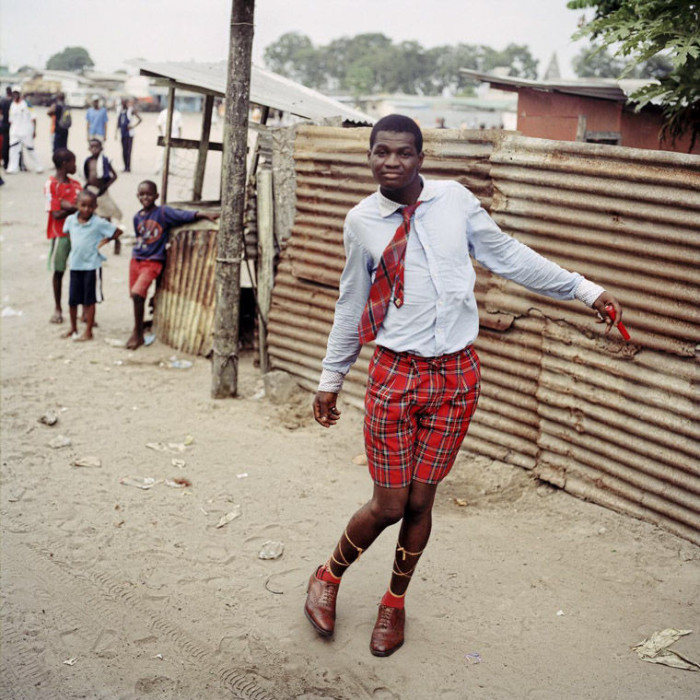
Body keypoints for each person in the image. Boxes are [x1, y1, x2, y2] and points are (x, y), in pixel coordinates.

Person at [304, 114, 624, 657]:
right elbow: (351, 301)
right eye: (380, 152)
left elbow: (508, 256)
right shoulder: (361, 220)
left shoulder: (455, 202)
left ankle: (393, 604)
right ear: (369, 157)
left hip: (456, 375)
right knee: (388, 503)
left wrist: (582, 289)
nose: (391, 162)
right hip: (394, 373)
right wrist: (331, 377)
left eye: (403, 152)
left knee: (423, 500)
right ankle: (328, 577)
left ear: (421, 157)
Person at [127, 180, 219, 349]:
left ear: (156, 196)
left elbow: (182, 216)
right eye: (142, 194)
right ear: (137, 196)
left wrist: (203, 214)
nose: (145, 197)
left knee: (138, 293)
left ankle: (137, 333)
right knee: (135, 296)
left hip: (152, 261)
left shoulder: (162, 213)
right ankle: (138, 329)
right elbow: (140, 237)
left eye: (148, 194)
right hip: (137, 259)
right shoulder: (136, 217)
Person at [62, 190, 122, 341]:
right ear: (76, 204)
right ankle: (73, 328)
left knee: (90, 300)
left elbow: (117, 232)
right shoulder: (70, 220)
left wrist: (102, 242)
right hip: (75, 265)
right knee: (73, 300)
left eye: (90, 206)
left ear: (95, 207)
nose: (86, 209)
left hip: (92, 267)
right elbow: (69, 234)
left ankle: (88, 331)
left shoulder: (98, 223)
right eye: (83, 206)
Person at [45, 148, 83, 324]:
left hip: (78, 234)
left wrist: (66, 205)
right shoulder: (51, 184)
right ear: (64, 164)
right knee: (59, 271)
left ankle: (83, 309)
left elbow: (84, 209)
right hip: (60, 234)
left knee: (80, 271)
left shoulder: (76, 185)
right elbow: (56, 215)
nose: (76, 165)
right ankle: (58, 308)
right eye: (73, 162)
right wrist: (74, 208)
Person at [84, 139, 123, 254]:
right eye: (92, 147)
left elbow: (114, 176)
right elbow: (88, 176)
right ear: (89, 149)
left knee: (106, 218)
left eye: (97, 147)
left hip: (102, 193)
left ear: (101, 148)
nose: (94, 149)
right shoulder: (88, 161)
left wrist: (104, 187)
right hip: (92, 192)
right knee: (91, 217)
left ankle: (116, 240)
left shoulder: (105, 161)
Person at [6, 86, 43, 174]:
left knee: (30, 149)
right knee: (13, 150)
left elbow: (34, 118)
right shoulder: (12, 104)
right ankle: (12, 168)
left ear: (20, 94)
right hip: (15, 131)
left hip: (26, 131)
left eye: (16, 93)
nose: (15, 95)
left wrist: (34, 130)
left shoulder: (27, 104)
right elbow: (10, 119)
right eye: (13, 93)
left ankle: (39, 167)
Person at [155, 106, 182, 174]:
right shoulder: (163, 113)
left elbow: (180, 127)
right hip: (165, 136)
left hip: (175, 136)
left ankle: (172, 170)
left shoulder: (178, 114)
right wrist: (162, 134)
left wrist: (179, 137)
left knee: (174, 154)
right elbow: (158, 124)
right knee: (162, 153)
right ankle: (158, 169)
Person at [116, 98, 142, 172]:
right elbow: (118, 122)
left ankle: (128, 167)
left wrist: (133, 126)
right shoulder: (120, 111)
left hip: (129, 134)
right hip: (122, 133)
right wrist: (116, 132)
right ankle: (125, 166)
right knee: (123, 151)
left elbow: (140, 119)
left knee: (128, 151)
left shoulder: (130, 111)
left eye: (124, 103)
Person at [0, 86, 12, 170]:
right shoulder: (13, 102)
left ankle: (5, 163)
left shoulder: (3, 100)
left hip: (4, 124)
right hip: (12, 125)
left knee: (4, 144)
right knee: (12, 145)